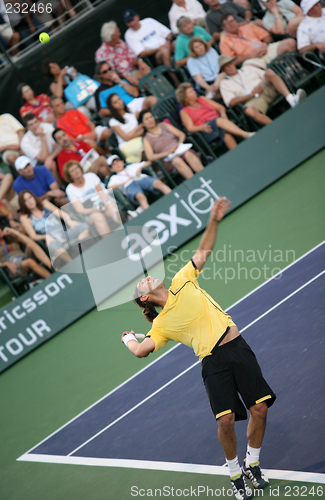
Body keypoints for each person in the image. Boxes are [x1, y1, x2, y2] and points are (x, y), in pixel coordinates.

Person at [122, 197, 275, 500]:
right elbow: (141, 350)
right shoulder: (161, 325)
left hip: (237, 348)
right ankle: (234, 472)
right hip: (213, 363)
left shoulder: (182, 280)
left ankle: (252, 462)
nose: (148, 277)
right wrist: (128, 339)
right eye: (143, 284)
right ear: (144, 300)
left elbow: (203, 252)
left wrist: (214, 219)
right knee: (226, 420)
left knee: (259, 408)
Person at [219, 54, 307, 125]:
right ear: (223, 70)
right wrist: (251, 94)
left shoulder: (247, 68)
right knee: (249, 111)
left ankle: (291, 99)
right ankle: (276, 127)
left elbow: (265, 75)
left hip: (265, 88)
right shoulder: (224, 84)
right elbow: (230, 103)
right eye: (227, 66)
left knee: (269, 72)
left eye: (231, 63)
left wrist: (260, 85)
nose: (230, 66)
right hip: (252, 100)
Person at [176, 83, 255, 150]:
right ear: (185, 98)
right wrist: (201, 128)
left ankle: (239, 153)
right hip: (206, 130)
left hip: (220, 123)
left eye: (193, 90)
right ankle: (244, 134)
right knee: (218, 121)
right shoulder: (184, 111)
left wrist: (223, 114)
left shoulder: (202, 99)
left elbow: (220, 107)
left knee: (225, 134)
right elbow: (190, 128)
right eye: (191, 92)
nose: (194, 92)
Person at [18, 190, 89, 265]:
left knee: (84, 226)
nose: (29, 201)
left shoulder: (45, 204)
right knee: (56, 249)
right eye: (26, 200)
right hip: (51, 240)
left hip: (63, 233)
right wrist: (46, 236)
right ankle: (74, 265)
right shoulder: (25, 217)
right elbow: (33, 236)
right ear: (23, 204)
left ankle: (80, 251)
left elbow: (62, 214)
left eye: (30, 197)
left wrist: (69, 221)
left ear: (34, 197)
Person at [139, 109, 204, 179]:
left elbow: (181, 134)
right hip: (168, 159)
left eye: (151, 117)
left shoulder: (164, 125)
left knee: (188, 154)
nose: (150, 120)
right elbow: (150, 157)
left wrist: (179, 143)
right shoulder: (146, 139)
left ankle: (205, 175)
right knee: (177, 161)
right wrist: (167, 153)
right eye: (146, 119)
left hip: (179, 150)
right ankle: (196, 181)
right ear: (143, 124)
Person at [64, 161, 120, 238]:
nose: (76, 171)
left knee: (111, 208)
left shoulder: (91, 176)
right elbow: (80, 209)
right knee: (98, 217)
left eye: (76, 168)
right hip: (90, 212)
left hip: (102, 203)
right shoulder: (70, 189)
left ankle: (127, 227)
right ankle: (110, 241)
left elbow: (102, 193)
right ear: (69, 175)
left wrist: (104, 202)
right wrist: (93, 210)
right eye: (72, 170)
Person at [220, 13, 296, 69]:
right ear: (224, 28)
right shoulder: (224, 42)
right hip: (251, 60)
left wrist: (265, 44)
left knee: (290, 43)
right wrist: (250, 55)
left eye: (232, 21)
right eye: (227, 24)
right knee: (249, 69)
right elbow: (231, 62)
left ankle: (292, 69)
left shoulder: (248, 27)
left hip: (265, 50)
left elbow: (267, 36)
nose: (231, 24)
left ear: (236, 21)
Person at [123, 9, 178, 84]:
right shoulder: (129, 35)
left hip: (167, 45)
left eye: (132, 20)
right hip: (154, 56)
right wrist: (159, 48)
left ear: (137, 17)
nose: (132, 24)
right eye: (128, 22)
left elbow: (168, 33)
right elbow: (141, 53)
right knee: (164, 52)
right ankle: (176, 80)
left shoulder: (149, 21)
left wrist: (168, 42)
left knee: (178, 43)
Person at [95, 21, 151, 87]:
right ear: (112, 36)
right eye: (118, 32)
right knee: (140, 82)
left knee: (147, 70)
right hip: (120, 80)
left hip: (133, 71)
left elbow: (132, 56)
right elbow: (110, 74)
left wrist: (140, 62)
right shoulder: (101, 54)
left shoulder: (120, 42)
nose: (120, 33)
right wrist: (126, 77)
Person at [107, 155, 171, 210]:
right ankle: (151, 214)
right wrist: (124, 182)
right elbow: (110, 187)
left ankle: (173, 196)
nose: (117, 165)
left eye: (117, 162)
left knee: (159, 183)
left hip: (141, 178)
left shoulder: (131, 166)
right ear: (111, 169)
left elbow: (148, 162)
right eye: (114, 165)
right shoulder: (114, 178)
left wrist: (140, 168)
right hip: (129, 186)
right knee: (141, 197)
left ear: (122, 162)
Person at [20, 114, 61, 184]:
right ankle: (61, 187)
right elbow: (44, 158)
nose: (35, 125)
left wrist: (50, 157)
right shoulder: (25, 142)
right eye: (31, 124)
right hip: (39, 163)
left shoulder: (47, 127)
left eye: (36, 122)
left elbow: (59, 144)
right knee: (51, 164)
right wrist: (42, 137)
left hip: (53, 154)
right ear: (27, 128)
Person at [107, 94, 145, 164]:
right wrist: (138, 128)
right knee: (144, 145)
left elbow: (143, 122)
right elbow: (125, 138)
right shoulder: (113, 121)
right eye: (115, 102)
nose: (119, 102)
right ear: (112, 107)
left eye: (119, 99)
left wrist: (137, 131)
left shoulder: (131, 110)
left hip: (139, 138)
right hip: (126, 145)